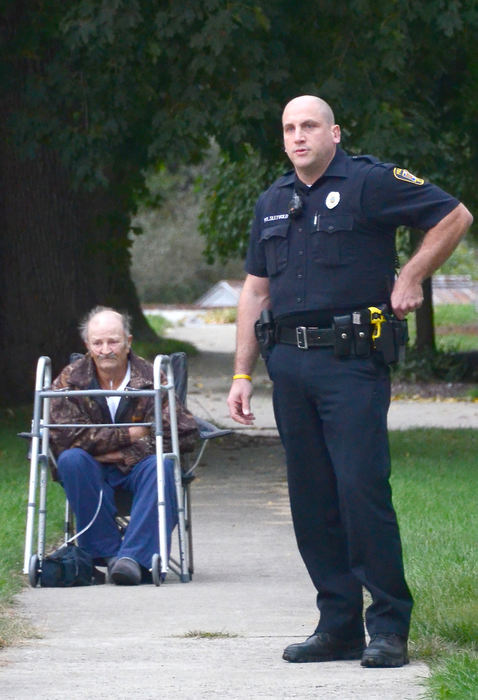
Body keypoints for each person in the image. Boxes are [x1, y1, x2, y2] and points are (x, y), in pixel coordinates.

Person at [227, 95, 473, 667]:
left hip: (352, 364)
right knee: (312, 500)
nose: (298, 136)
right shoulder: (272, 200)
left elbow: (454, 215)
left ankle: (387, 627)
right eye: (288, 127)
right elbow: (255, 291)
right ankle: (337, 625)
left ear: (334, 131)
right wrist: (242, 372)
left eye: (309, 125)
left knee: (360, 490)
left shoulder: (370, 182)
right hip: (289, 366)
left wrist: (412, 273)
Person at [50, 306, 198, 585]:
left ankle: (132, 559)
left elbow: (183, 432)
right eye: (98, 342)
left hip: (138, 467)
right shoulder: (71, 379)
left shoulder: (152, 376)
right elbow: (63, 438)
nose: (106, 349)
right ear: (88, 345)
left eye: (113, 341)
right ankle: (110, 554)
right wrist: (129, 435)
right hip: (92, 470)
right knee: (71, 460)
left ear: (128, 342)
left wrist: (123, 453)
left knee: (162, 464)